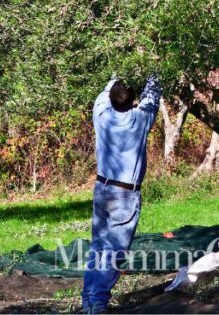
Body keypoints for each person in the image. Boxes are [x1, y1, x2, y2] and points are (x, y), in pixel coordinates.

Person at [81, 75, 163, 314]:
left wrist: (117, 75)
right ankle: (97, 303)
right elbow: (153, 95)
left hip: (102, 188)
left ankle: (89, 300)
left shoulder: (101, 114)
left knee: (98, 246)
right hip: (125, 194)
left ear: (110, 98)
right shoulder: (139, 119)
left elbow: (106, 90)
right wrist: (155, 70)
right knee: (114, 251)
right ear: (132, 101)